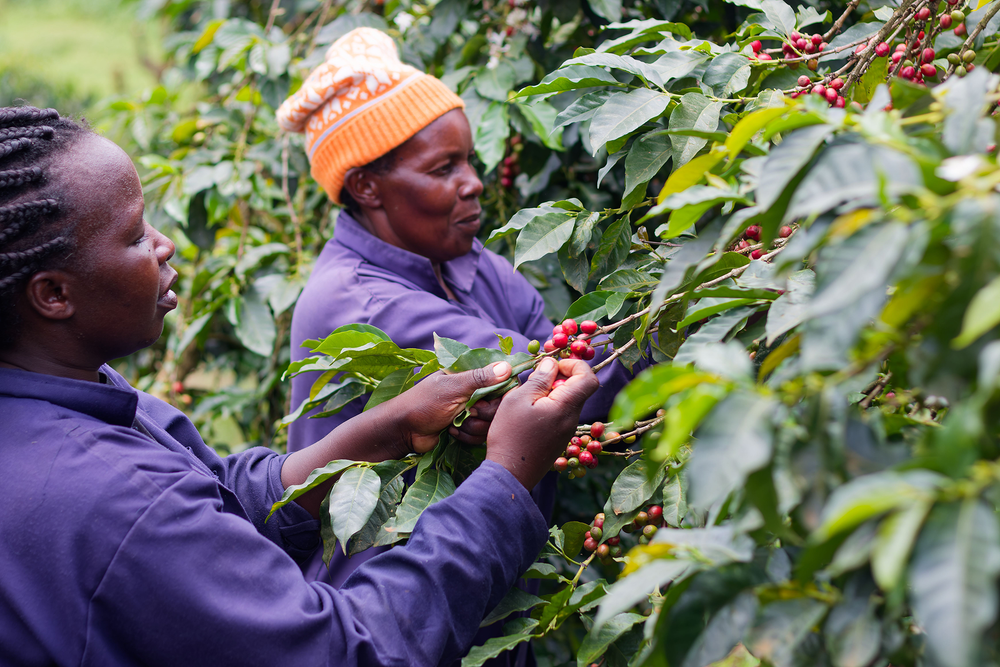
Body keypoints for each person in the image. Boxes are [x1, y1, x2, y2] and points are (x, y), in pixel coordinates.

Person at [0, 105, 599, 665]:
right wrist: (507, 480)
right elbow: (347, 649)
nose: (164, 245)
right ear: (53, 295)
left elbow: (219, 493)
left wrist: (390, 424)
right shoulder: (119, 501)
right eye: (134, 236)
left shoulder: (74, 391)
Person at [277, 28, 635, 604]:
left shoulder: (466, 261)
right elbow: (563, 387)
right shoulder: (361, 303)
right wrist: (677, 304)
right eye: (444, 169)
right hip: (392, 611)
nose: (474, 183)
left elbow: (571, 358)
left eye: (468, 159)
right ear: (367, 186)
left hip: (481, 592)